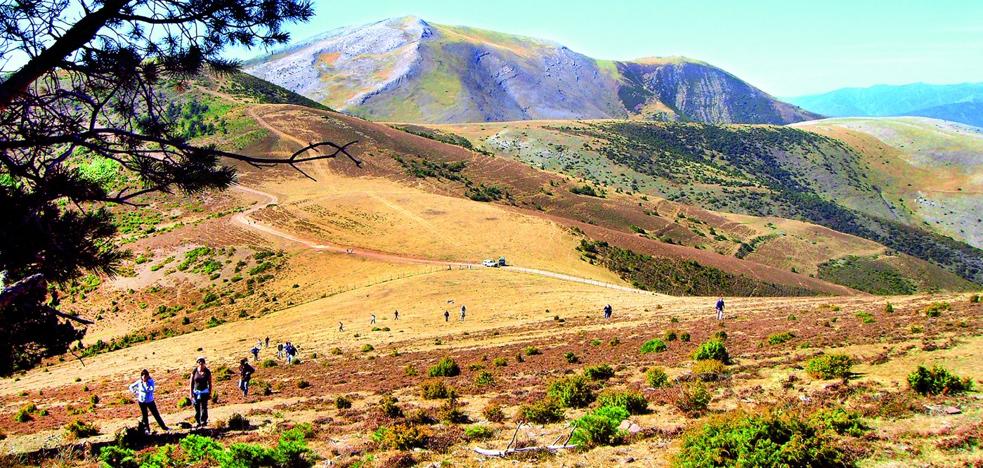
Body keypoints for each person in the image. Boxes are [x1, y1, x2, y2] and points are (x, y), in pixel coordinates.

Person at [129, 369, 168, 433]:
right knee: (145, 416)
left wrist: (145, 384)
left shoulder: (151, 382)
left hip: (150, 401)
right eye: (143, 376)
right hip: (142, 402)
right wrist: (135, 392)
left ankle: (164, 427)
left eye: (145, 376)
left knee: (156, 414)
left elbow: (150, 390)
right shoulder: (139, 382)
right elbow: (131, 387)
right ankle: (147, 429)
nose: (144, 378)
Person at [189, 357, 212, 428]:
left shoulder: (207, 371)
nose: (201, 364)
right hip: (196, 392)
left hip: (204, 391)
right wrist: (191, 393)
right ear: (198, 363)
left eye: (202, 363)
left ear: (204, 363)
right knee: (197, 407)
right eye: (199, 362)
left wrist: (210, 392)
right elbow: (191, 382)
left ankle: (204, 421)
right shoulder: (195, 371)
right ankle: (198, 421)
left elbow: (210, 383)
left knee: (204, 407)